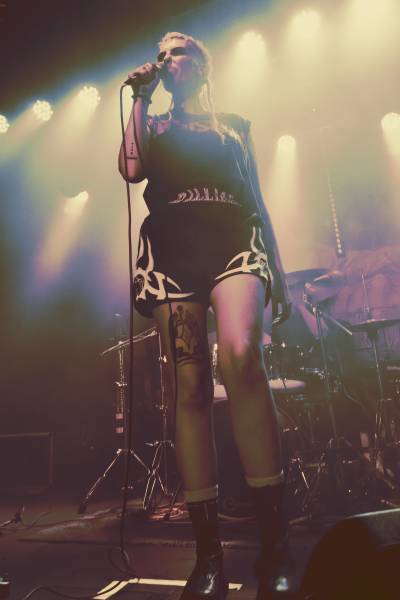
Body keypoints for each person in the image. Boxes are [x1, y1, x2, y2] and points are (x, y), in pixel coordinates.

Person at [119, 32, 293, 599]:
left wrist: (281, 273)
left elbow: (257, 198)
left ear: (202, 63)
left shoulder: (234, 126)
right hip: (172, 249)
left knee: (241, 358)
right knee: (188, 385)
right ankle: (209, 557)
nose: (168, 60)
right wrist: (140, 97)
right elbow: (131, 170)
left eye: (179, 51)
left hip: (234, 239)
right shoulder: (153, 122)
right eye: (162, 54)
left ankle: (275, 547)